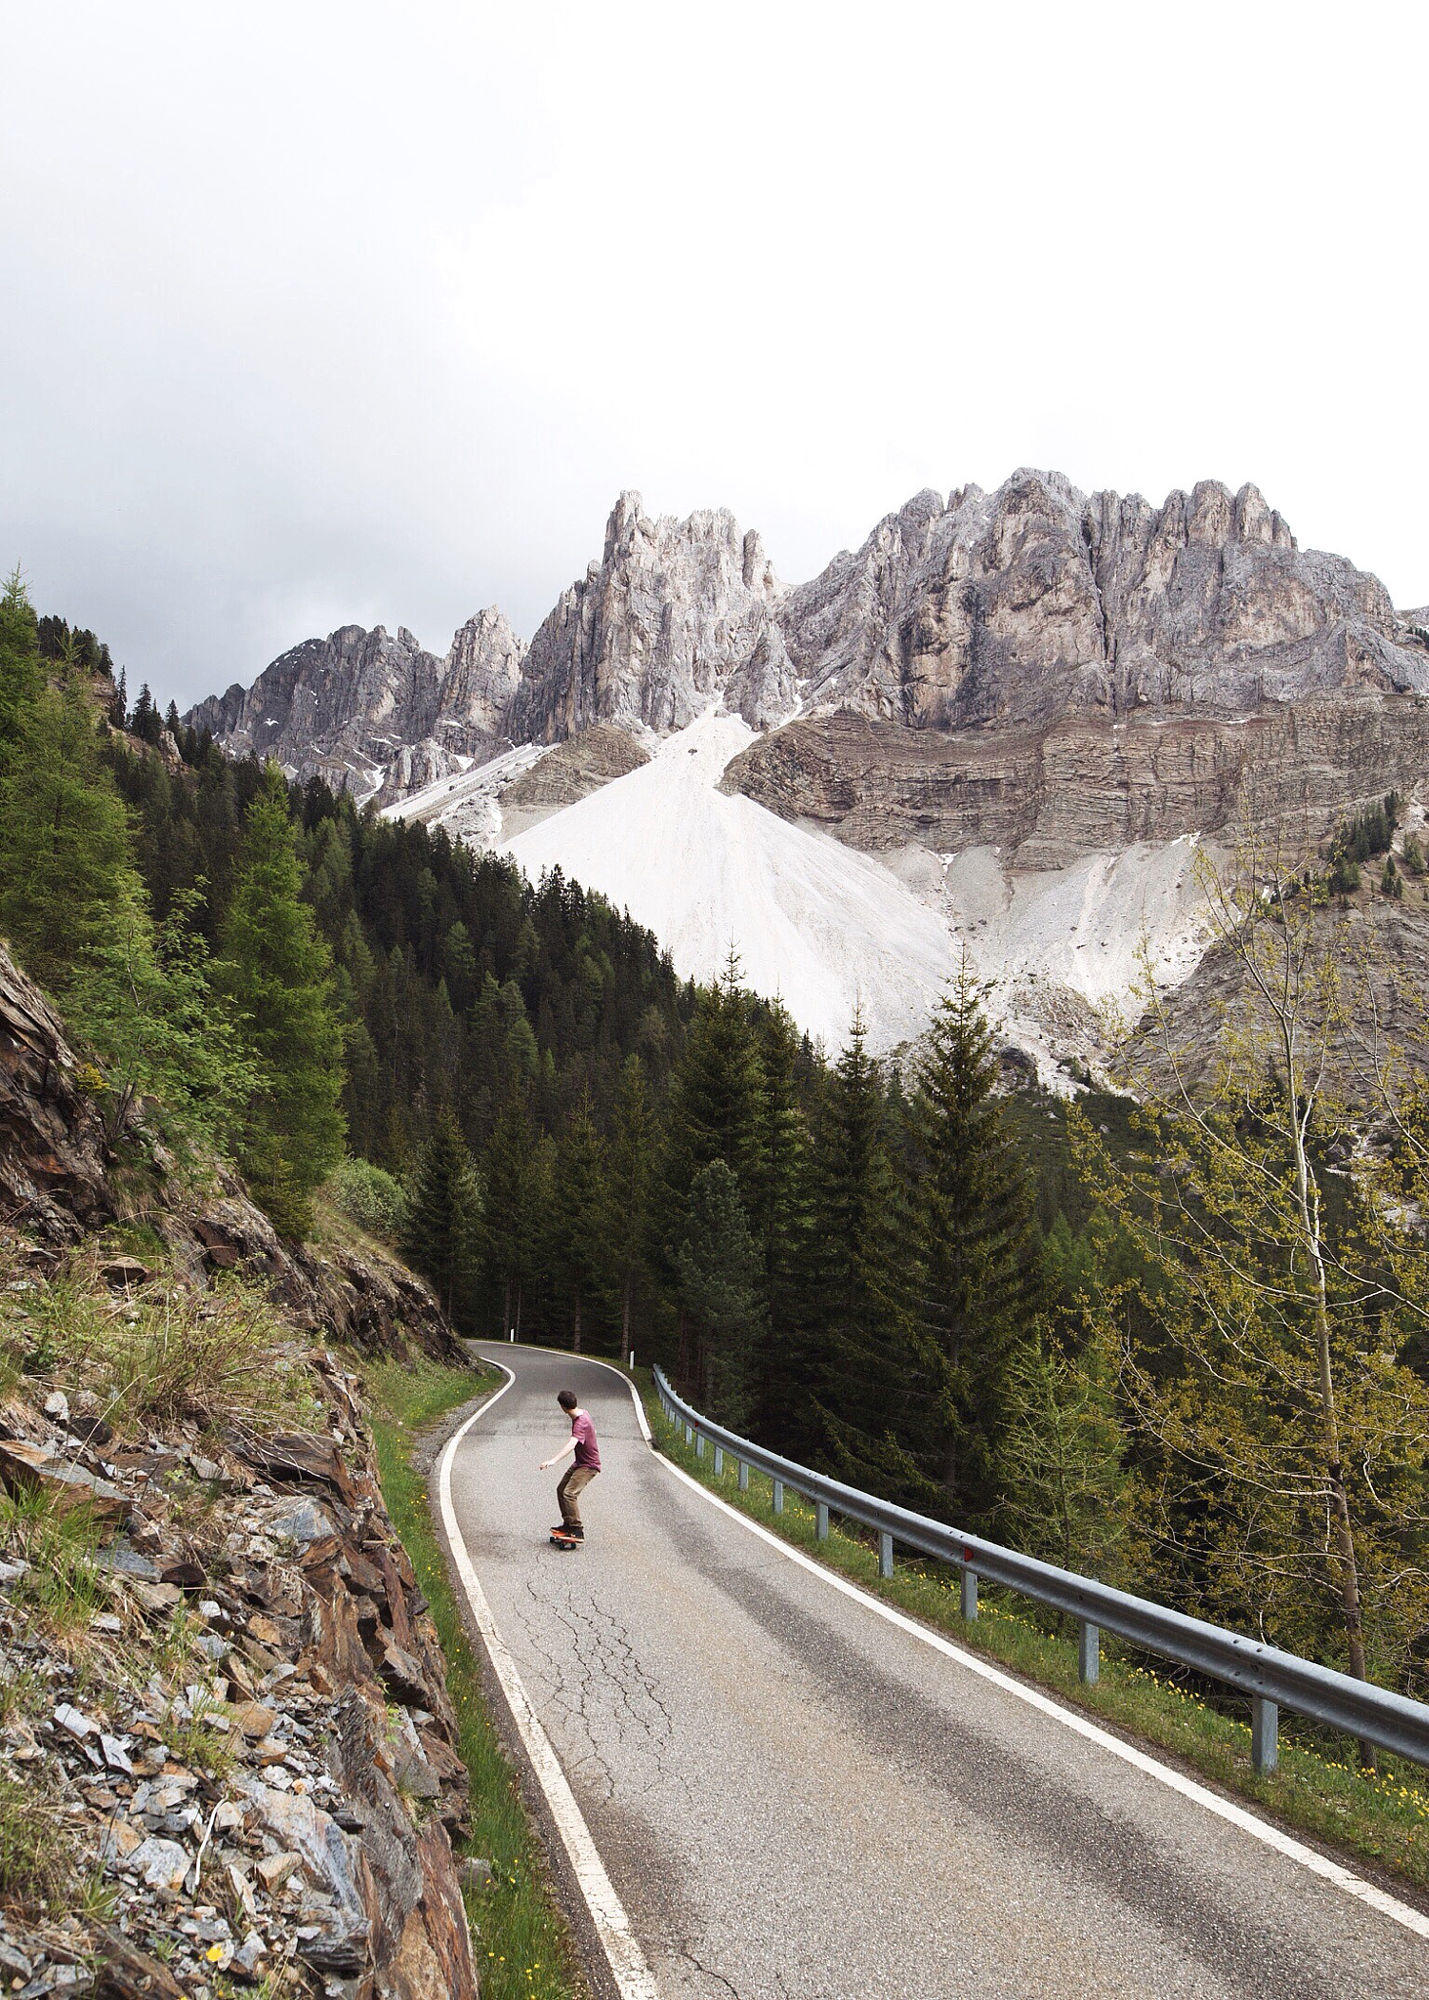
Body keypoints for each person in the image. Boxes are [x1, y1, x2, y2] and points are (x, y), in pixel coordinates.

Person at [540, 1388, 601, 1539]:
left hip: (589, 1465)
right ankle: (568, 1524)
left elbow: (572, 1444)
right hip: (580, 1462)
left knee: (569, 1493)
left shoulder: (581, 1422)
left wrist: (552, 1461)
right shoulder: (582, 1413)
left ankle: (576, 1529)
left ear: (563, 1407)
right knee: (561, 1489)